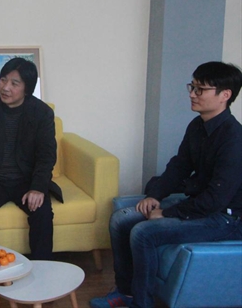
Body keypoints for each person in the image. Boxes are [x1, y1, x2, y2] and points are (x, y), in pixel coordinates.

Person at [90, 61, 242, 308]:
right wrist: (155, 195)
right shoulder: (197, 126)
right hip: (200, 205)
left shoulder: (234, 138)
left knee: (143, 232)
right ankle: (125, 293)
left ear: (225, 95)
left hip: (227, 218)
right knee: (121, 219)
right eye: (192, 87)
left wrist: (168, 213)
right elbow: (179, 165)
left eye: (200, 89)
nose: (192, 94)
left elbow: (216, 199)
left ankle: (142, 304)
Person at [0, 57, 63, 297]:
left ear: (27, 88)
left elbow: (46, 156)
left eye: (14, 83)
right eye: (3, 80)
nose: (5, 87)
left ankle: (42, 274)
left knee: (42, 211)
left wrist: (38, 187)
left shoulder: (42, 113)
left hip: (27, 180)